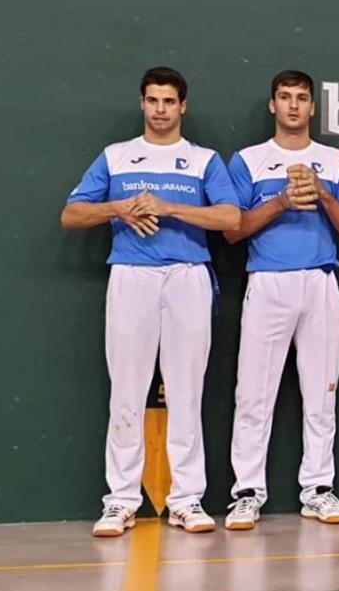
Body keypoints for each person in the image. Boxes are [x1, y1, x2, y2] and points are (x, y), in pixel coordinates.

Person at [61, 66, 241, 537]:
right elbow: (72, 213)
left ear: (183, 107)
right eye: (153, 100)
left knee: (187, 391)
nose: (160, 109)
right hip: (131, 276)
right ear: (142, 104)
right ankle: (120, 500)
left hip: (187, 278)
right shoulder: (116, 157)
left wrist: (169, 207)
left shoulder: (203, 160)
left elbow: (230, 217)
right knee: (127, 390)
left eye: (169, 101)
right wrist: (119, 208)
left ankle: (186, 500)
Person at [222, 70, 339, 529]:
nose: (292, 106)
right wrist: (281, 202)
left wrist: (321, 194)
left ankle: (318, 488)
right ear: (272, 105)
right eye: (284, 98)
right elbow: (232, 230)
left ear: (312, 108)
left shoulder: (337, 162)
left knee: (321, 394)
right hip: (267, 283)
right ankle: (247, 492)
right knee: (252, 395)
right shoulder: (248, 161)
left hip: (320, 283)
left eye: (301, 98)